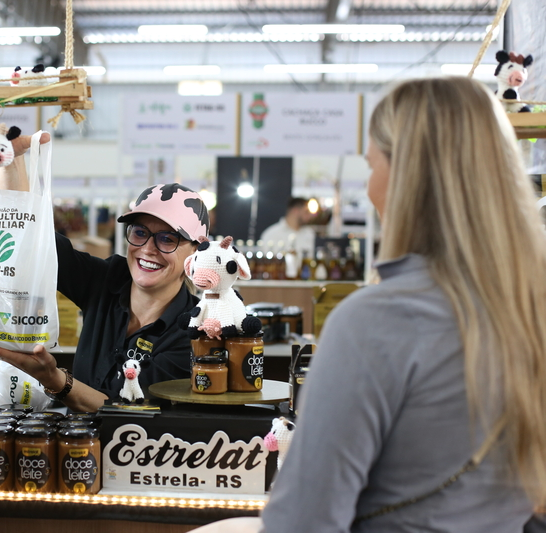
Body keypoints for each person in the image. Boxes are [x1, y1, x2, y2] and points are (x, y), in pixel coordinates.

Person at [191, 77, 546, 532]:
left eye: (372, 164)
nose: (370, 184)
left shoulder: (376, 323)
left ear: (406, 177)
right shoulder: (527, 310)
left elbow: (304, 521)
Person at [0, 121, 209, 412]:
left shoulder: (193, 333)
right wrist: (11, 162)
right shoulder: (107, 281)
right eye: (139, 233)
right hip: (72, 445)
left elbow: (131, 411)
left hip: (136, 452)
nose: (148, 249)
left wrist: (54, 379)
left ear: (196, 251)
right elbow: (31, 241)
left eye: (168, 239)